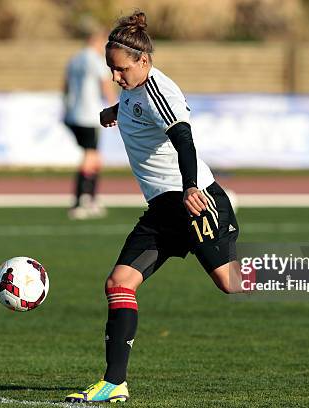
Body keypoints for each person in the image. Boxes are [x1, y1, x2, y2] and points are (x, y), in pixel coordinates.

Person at [64, 11, 244, 403]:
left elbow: (184, 141)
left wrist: (192, 188)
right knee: (119, 284)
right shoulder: (132, 87)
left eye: (120, 70)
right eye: (111, 70)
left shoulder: (160, 91)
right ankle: (114, 383)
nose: (115, 77)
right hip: (162, 210)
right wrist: (117, 111)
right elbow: (134, 104)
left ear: (143, 61)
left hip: (195, 203)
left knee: (232, 283)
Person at [63, 22, 117, 220]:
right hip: (88, 115)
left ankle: (90, 199)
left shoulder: (74, 59)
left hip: (74, 114)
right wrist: (115, 109)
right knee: (90, 158)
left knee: (93, 157)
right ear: (96, 40)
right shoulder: (94, 59)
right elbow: (105, 85)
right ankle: (80, 202)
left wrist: (67, 108)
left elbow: (66, 87)